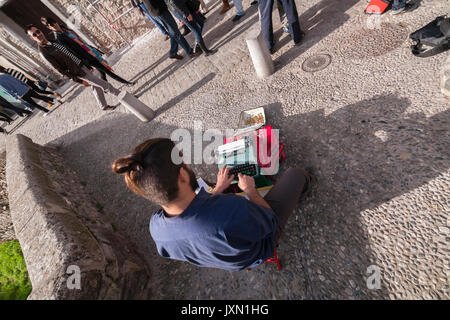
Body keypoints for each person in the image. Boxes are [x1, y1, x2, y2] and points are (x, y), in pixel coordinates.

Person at [112, 138, 312, 271]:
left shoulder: (156, 228)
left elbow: (195, 224)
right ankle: (304, 185)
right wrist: (250, 191)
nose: (187, 164)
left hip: (230, 260)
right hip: (259, 248)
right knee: (296, 175)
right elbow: (270, 221)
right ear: (182, 175)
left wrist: (216, 191)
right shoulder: (230, 209)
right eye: (184, 162)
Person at [27, 24, 126, 111]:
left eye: (38, 31)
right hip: (78, 72)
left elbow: (71, 53)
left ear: (40, 31)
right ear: (32, 38)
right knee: (104, 84)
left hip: (82, 65)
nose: (38, 34)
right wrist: (78, 80)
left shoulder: (53, 41)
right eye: (34, 34)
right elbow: (59, 69)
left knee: (96, 86)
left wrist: (86, 65)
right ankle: (124, 97)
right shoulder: (43, 52)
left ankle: (103, 106)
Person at [40, 18, 135, 86]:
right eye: (51, 25)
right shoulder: (59, 38)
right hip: (86, 57)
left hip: (88, 51)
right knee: (105, 68)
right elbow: (71, 51)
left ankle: (105, 87)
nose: (54, 25)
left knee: (102, 72)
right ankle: (125, 82)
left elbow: (79, 41)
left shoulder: (65, 30)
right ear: (49, 28)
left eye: (53, 23)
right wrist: (85, 62)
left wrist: (90, 48)